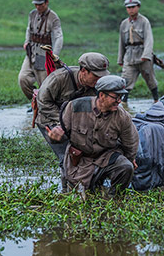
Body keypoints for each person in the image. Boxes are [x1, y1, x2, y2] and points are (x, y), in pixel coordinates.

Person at [49, 75, 139, 196]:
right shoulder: (74, 107)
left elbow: (131, 142)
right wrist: (56, 136)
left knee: (126, 167)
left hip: (106, 157)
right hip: (79, 161)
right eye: (116, 97)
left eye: (121, 97)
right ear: (101, 95)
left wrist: (130, 159)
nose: (119, 101)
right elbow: (62, 132)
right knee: (76, 197)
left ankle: (115, 199)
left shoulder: (122, 117)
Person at [37, 52, 110, 191]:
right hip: (51, 118)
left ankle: (93, 186)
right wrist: (64, 124)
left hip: (77, 121)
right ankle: (67, 192)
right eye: (96, 76)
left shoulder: (98, 87)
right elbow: (43, 102)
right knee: (66, 154)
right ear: (83, 71)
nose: (99, 80)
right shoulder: (59, 79)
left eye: (102, 76)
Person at [19, 0, 63, 101]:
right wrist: (26, 41)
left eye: (40, 4)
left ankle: (42, 104)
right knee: (23, 79)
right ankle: (34, 100)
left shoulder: (53, 17)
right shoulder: (32, 14)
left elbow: (59, 37)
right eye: (36, 4)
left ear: (47, 2)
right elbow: (29, 29)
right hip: (31, 52)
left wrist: (54, 55)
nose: (38, 7)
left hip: (44, 55)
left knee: (44, 84)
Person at [117, 0, 158, 104]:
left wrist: (146, 55)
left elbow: (149, 39)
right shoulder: (124, 24)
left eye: (133, 7)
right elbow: (121, 42)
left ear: (138, 7)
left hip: (143, 55)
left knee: (150, 79)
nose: (131, 10)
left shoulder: (144, 21)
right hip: (129, 56)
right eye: (128, 8)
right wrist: (120, 59)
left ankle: (156, 100)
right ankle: (124, 103)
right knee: (126, 79)